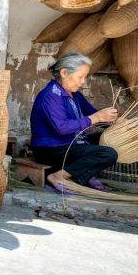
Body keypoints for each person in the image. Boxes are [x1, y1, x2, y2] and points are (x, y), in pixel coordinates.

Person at [30, 53, 119, 192]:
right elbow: (62, 128)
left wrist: (114, 121)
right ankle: (57, 177)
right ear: (64, 73)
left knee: (108, 140)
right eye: (80, 77)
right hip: (50, 149)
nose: (83, 81)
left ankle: (82, 176)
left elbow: (91, 112)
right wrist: (97, 117)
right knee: (108, 154)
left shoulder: (75, 94)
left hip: (71, 143)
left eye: (85, 77)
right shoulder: (51, 96)